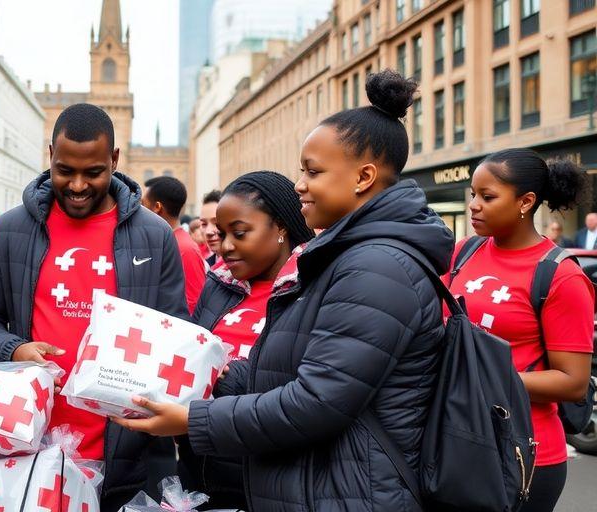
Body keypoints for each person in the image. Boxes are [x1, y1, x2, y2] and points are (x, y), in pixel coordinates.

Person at [113, 70, 453, 512]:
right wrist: (185, 370)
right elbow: (278, 373)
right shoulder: (345, 256)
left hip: (347, 494)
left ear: (363, 176)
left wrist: (192, 419)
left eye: (313, 172)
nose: (300, 185)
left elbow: (315, 402)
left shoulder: (378, 266)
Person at [0, 103, 187, 511]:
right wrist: (13, 349)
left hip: (127, 457)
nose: (78, 185)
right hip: (29, 451)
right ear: (50, 156)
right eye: (65, 170)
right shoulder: (12, 229)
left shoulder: (155, 237)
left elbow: (176, 333)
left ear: (114, 161)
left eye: (94, 172)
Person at [446, 149, 594, 512]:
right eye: (472, 195)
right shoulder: (464, 251)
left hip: (524, 454)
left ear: (526, 202)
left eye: (488, 196)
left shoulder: (561, 275)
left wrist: (482, 377)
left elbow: (572, 382)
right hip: (456, 441)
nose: (474, 206)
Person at [178, 171, 314, 509]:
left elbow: (311, 393)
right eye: (221, 234)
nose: (224, 246)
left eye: (239, 233)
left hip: (274, 486)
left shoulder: (316, 290)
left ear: (281, 227)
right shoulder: (218, 284)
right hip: (202, 478)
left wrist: (228, 376)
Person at [142, 176, 207, 314]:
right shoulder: (163, 242)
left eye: (143, 204)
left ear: (157, 207)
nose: (139, 209)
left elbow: (194, 303)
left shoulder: (185, 248)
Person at [198, 190, 223, 267]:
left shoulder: (248, 270)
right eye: (204, 224)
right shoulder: (205, 267)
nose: (208, 232)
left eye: (216, 223)